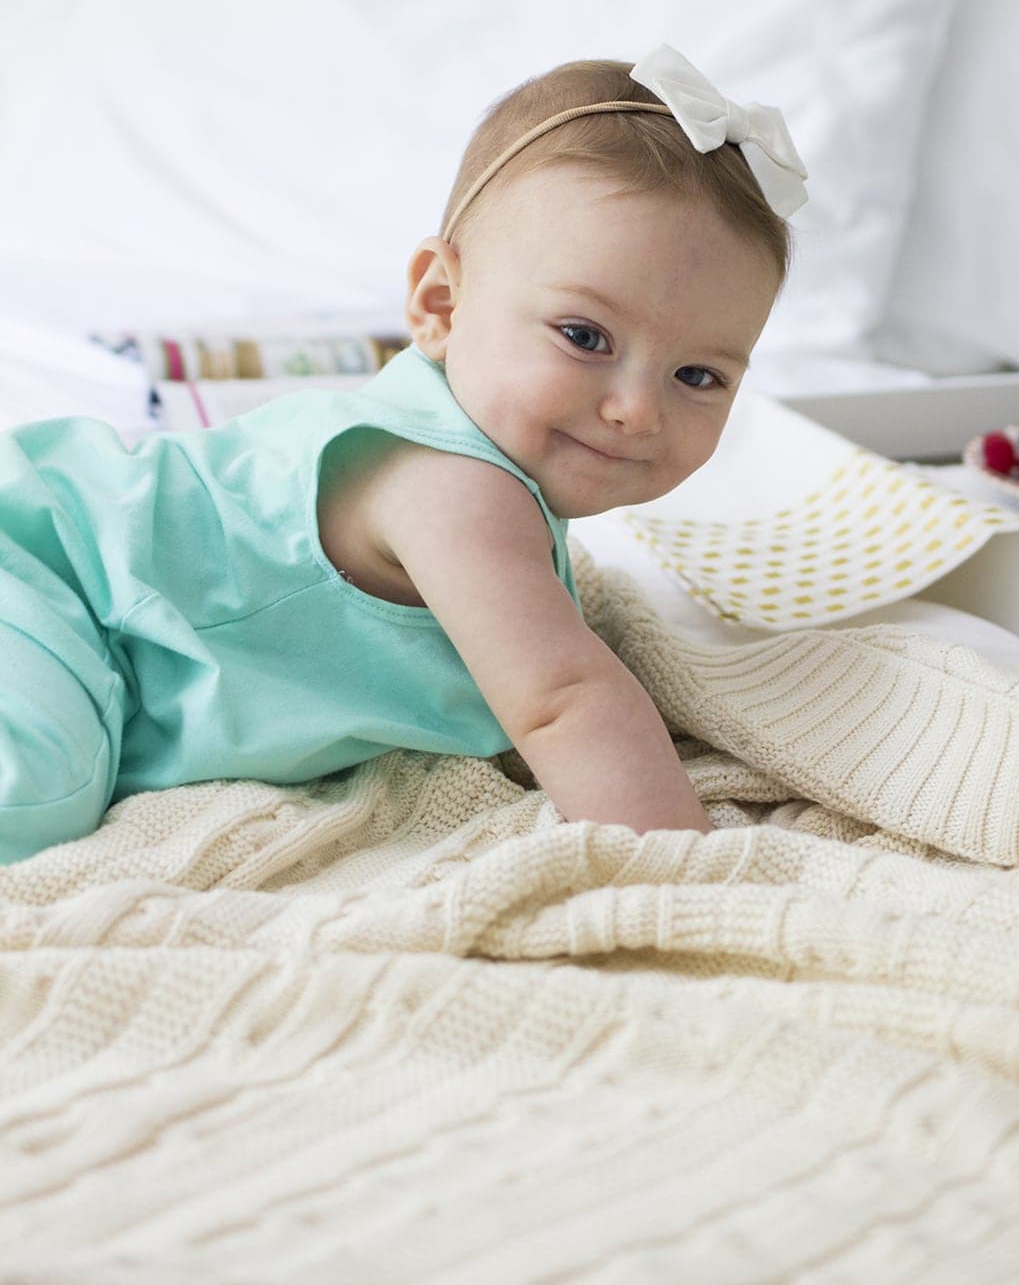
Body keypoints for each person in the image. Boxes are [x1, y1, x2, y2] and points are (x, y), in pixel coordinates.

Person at [0, 45, 807, 864]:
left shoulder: (489, 460)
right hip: (47, 574)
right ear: (442, 304)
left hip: (101, 622)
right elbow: (565, 701)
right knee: (29, 795)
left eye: (697, 375)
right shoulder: (453, 485)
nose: (636, 409)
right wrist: (691, 872)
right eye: (584, 336)